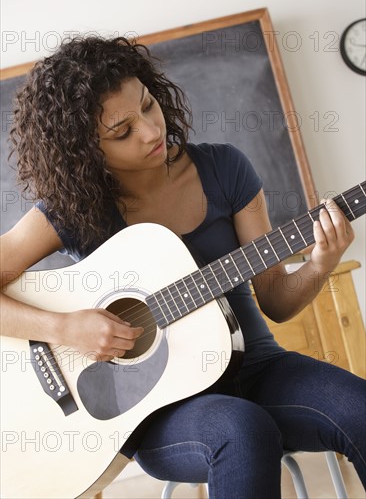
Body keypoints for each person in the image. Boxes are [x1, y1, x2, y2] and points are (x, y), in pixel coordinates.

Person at [1, 35, 365, 499]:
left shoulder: (224, 170)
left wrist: (319, 263)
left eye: (149, 107)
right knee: (241, 428)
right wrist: (62, 327)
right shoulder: (71, 210)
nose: (152, 131)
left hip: (258, 368)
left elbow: (275, 300)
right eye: (122, 132)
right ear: (85, 150)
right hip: (161, 411)